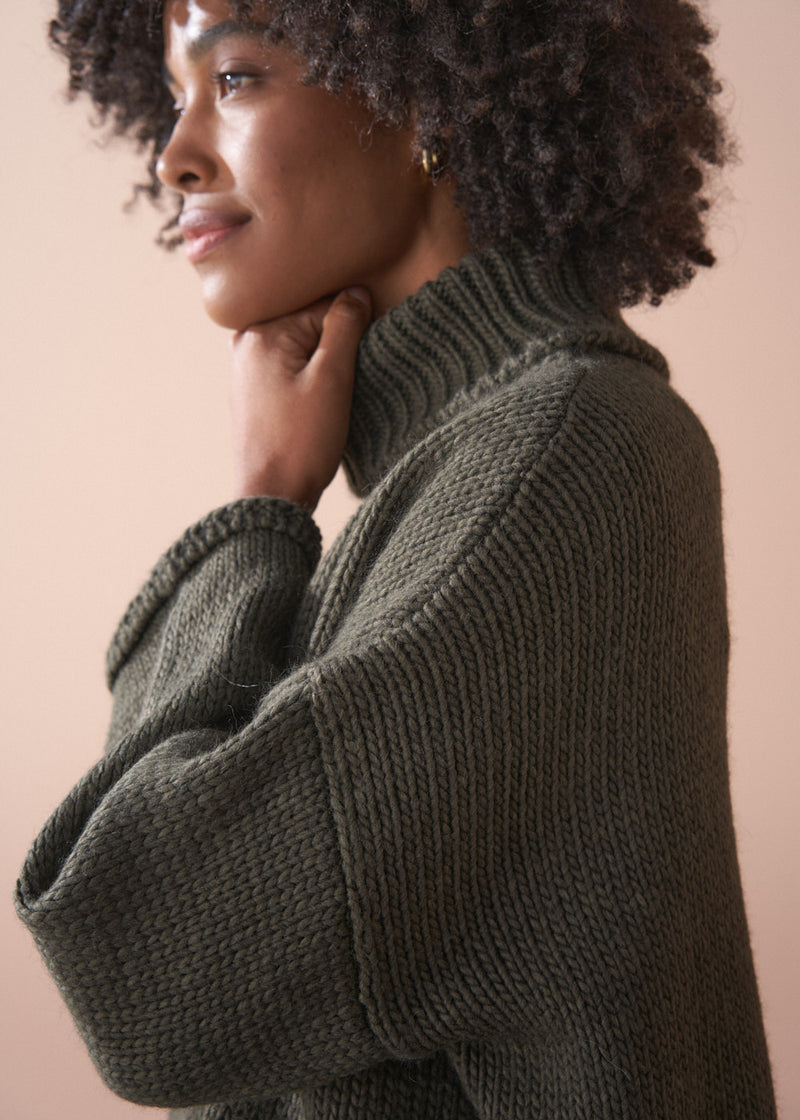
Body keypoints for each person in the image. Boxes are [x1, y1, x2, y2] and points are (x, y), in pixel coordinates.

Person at [15, 0, 776, 1117]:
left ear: (421, 96)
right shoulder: (445, 477)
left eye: (232, 81)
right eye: (171, 98)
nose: (173, 156)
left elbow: (146, 968)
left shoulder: (566, 455)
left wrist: (257, 510)